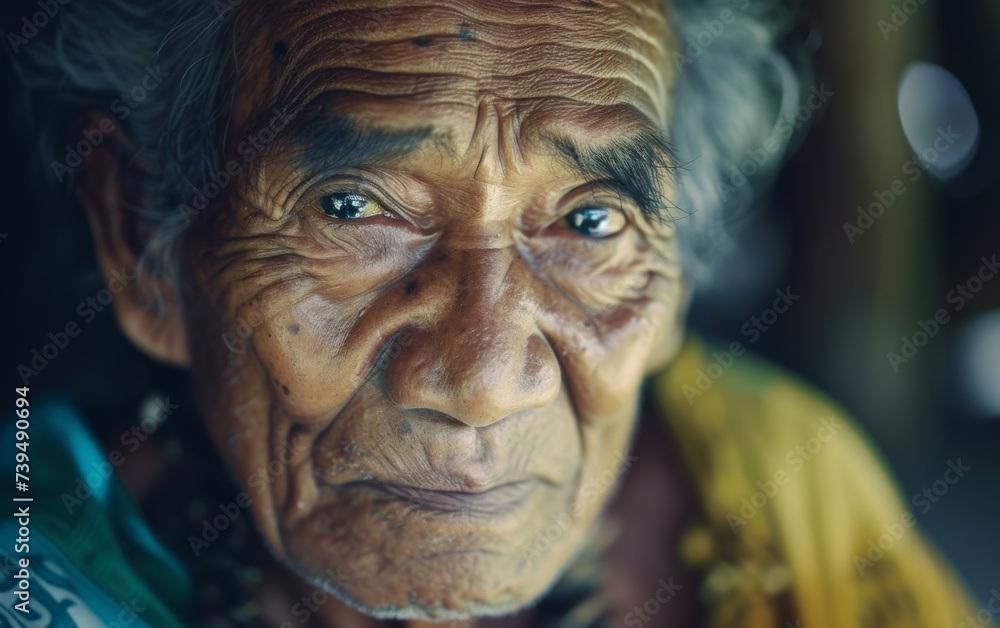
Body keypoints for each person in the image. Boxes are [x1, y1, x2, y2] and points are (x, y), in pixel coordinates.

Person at [3, 0, 988, 626]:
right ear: (142, 241)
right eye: (353, 208)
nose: (480, 378)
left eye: (591, 218)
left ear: (677, 269)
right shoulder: (36, 564)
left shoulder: (775, 485)